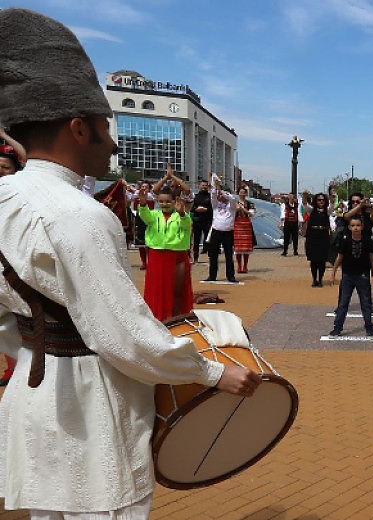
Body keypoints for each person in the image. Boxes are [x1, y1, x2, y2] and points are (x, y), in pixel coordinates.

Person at [0, 8, 261, 518]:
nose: (113, 140)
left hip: (32, 401)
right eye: (104, 125)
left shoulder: (3, 198)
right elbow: (127, 337)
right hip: (92, 412)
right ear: (78, 128)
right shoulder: (81, 217)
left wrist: (32, 351)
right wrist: (212, 373)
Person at [138, 167, 193, 321]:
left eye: (167, 201)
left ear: (174, 201)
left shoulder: (182, 215)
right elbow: (144, 215)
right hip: (157, 255)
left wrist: (181, 213)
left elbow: (186, 225)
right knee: (157, 289)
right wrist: (142, 204)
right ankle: (156, 317)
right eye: (161, 201)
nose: (164, 204)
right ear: (157, 202)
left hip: (177, 255)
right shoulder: (153, 215)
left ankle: (176, 318)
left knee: (176, 289)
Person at [329, 215, 373, 337]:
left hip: (363, 276)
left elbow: (372, 259)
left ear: (362, 227)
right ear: (349, 227)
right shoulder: (345, 241)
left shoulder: (367, 240)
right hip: (348, 276)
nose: (355, 228)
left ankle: (369, 327)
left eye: (358, 225)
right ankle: (337, 327)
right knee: (343, 303)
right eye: (353, 226)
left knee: (366, 303)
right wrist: (333, 273)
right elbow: (339, 258)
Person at [0, 141, 22, 387]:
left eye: (5, 167)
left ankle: (21, 364)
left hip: (16, 260)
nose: (1, 171)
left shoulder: (20, 192)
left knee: (19, 313)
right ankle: (11, 366)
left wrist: (6, 135)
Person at [205, 173, 238, 283]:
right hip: (216, 231)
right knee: (213, 255)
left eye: (223, 196)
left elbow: (232, 199)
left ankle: (230, 276)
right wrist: (215, 184)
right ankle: (212, 275)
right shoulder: (215, 204)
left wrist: (223, 191)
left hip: (228, 233)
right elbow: (213, 194)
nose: (221, 197)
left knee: (229, 255)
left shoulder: (231, 206)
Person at [305, 192, 333, 287]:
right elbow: (304, 203)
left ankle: (320, 279)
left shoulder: (327, 211)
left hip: (323, 236)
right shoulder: (311, 210)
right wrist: (305, 195)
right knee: (313, 260)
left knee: (322, 260)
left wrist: (330, 194)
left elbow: (332, 204)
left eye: (323, 200)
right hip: (313, 236)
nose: (321, 201)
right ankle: (314, 279)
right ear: (315, 201)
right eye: (319, 200)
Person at [129, 180, 156, 270]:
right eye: (142, 187)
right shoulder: (136, 194)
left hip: (149, 219)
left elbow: (137, 193)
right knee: (140, 242)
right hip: (139, 219)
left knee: (149, 242)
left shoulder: (150, 195)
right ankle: (144, 262)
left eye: (146, 187)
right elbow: (130, 193)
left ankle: (151, 261)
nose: (144, 189)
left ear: (149, 189)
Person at [234, 187, 256, 274]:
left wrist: (242, 209)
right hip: (237, 224)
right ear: (238, 193)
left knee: (246, 247)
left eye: (244, 193)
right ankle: (239, 266)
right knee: (238, 246)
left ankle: (245, 266)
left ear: (246, 194)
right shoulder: (234, 203)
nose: (242, 194)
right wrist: (236, 209)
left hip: (246, 224)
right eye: (241, 192)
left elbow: (251, 214)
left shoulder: (250, 204)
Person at [190, 179, 213, 264]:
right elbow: (192, 209)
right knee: (196, 240)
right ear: (199, 186)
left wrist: (206, 209)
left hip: (207, 221)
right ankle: (195, 258)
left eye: (205, 186)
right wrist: (197, 209)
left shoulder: (210, 197)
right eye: (202, 185)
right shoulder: (195, 196)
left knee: (209, 240)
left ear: (208, 187)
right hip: (197, 221)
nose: (204, 187)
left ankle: (211, 257)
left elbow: (213, 209)